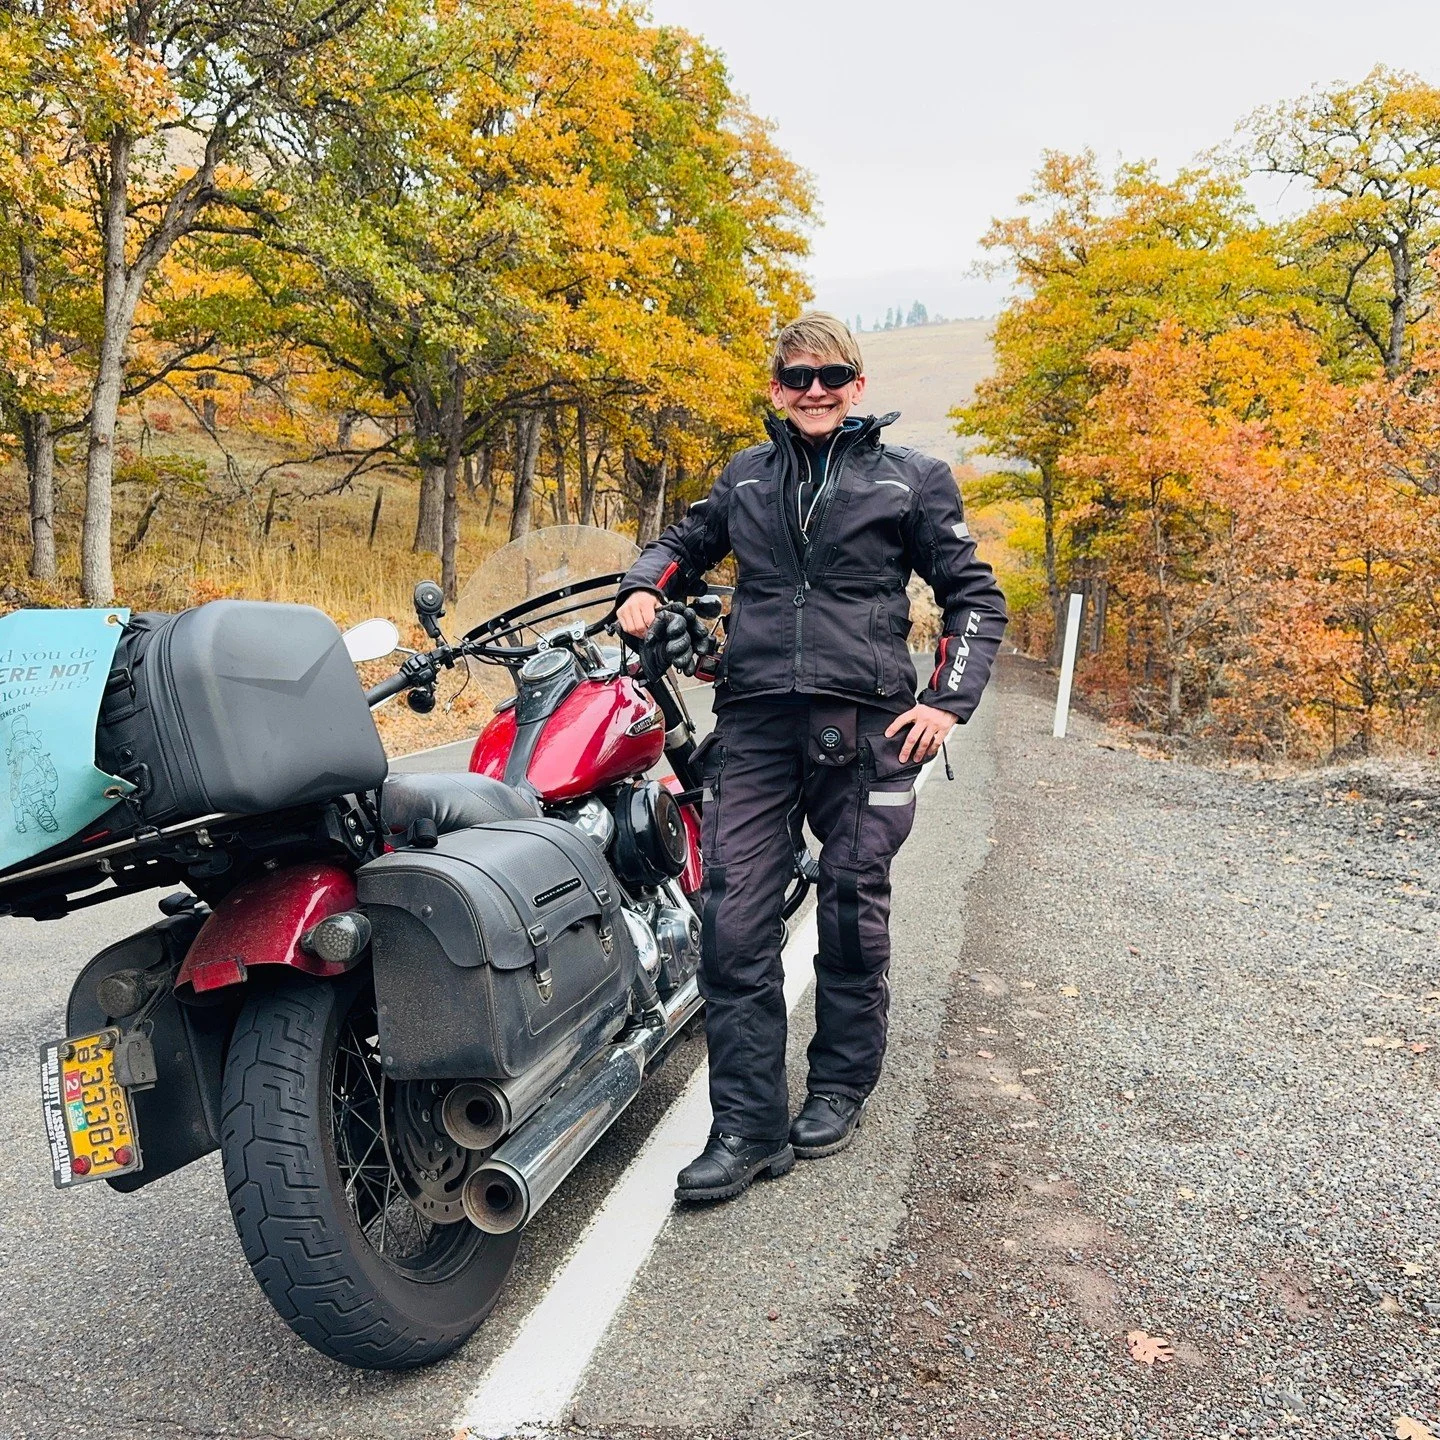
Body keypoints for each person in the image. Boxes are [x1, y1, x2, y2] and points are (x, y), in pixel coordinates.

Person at [616, 311, 1007, 1203]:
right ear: (777, 388)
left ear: (858, 385)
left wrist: (945, 702)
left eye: (832, 376)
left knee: (850, 909)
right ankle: (748, 1128)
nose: (816, 391)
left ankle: (839, 1085)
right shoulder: (747, 476)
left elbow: (974, 598)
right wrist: (643, 585)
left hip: (867, 725)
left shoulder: (911, 479)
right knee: (731, 921)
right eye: (798, 377)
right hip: (755, 721)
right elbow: (679, 544)